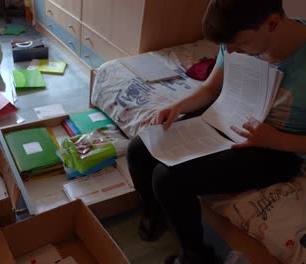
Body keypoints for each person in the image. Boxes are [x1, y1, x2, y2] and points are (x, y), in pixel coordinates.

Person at [126, 0, 306, 263]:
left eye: (240, 44)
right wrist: (178, 107)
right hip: (229, 117)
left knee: (169, 178)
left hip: (277, 147)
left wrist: (275, 139)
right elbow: (212, 89)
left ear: (271, 23)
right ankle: (154, 212)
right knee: (140, 148)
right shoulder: (236, 38)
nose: (231, 51)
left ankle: (197, 257)